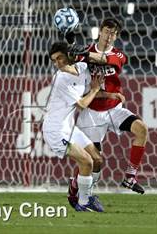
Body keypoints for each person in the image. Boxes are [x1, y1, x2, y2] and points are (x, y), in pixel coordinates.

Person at [67, 18, 148, 205]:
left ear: (116, 36)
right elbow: (72, 60)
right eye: (106, 31)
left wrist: (82, 53)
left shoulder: (118, 55)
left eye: (113, 33)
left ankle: (130, 177)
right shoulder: (87, 50)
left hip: (114, 109)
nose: (109, 35)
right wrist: (71, 47)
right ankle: (75, 186)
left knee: (141, 129)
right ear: (100, 32)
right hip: (91, 113)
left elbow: (105, 60)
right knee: (93, 161)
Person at [42, 42, 124, 212]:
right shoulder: (60, 78)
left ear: (70, 56)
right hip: (55, 130)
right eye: (54, 61)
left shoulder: (82, 68)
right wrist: (95, 91)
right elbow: (81, 104)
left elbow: (93, 84)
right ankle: (84, 202)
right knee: (86, 161)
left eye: (60, 58)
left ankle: (78, 190)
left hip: (69, 127)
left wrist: (110, 94)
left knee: (98, 160)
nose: (57, 64)